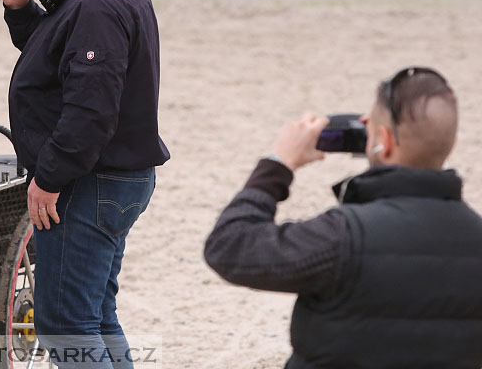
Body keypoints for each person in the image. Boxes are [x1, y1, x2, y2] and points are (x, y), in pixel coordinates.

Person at [204, 67, 482, 368]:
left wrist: (278, 164)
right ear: (451, 144)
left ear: (384, 141)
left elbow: (230, 246)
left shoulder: (341, 236)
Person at [0, 0, 170, 368]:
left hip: (90, 183)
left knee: (67, 327)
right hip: (113, 178)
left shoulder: (96, 2)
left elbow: (90, 111)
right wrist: (20, 7)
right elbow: (55, 61)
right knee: (94, 316)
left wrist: (49, 178)